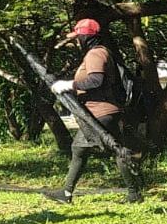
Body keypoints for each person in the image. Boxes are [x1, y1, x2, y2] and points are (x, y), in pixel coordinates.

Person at [41, 18, 142, 204]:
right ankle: (134, 193)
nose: (76, 41)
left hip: (100, 114)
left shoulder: (96, 54)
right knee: (111, 149)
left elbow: (96, 80)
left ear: (86, 37)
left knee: (85, 148)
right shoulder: (98, 53)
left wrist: (69, 84)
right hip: (104, 113)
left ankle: (67, 193)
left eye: (78, 37)